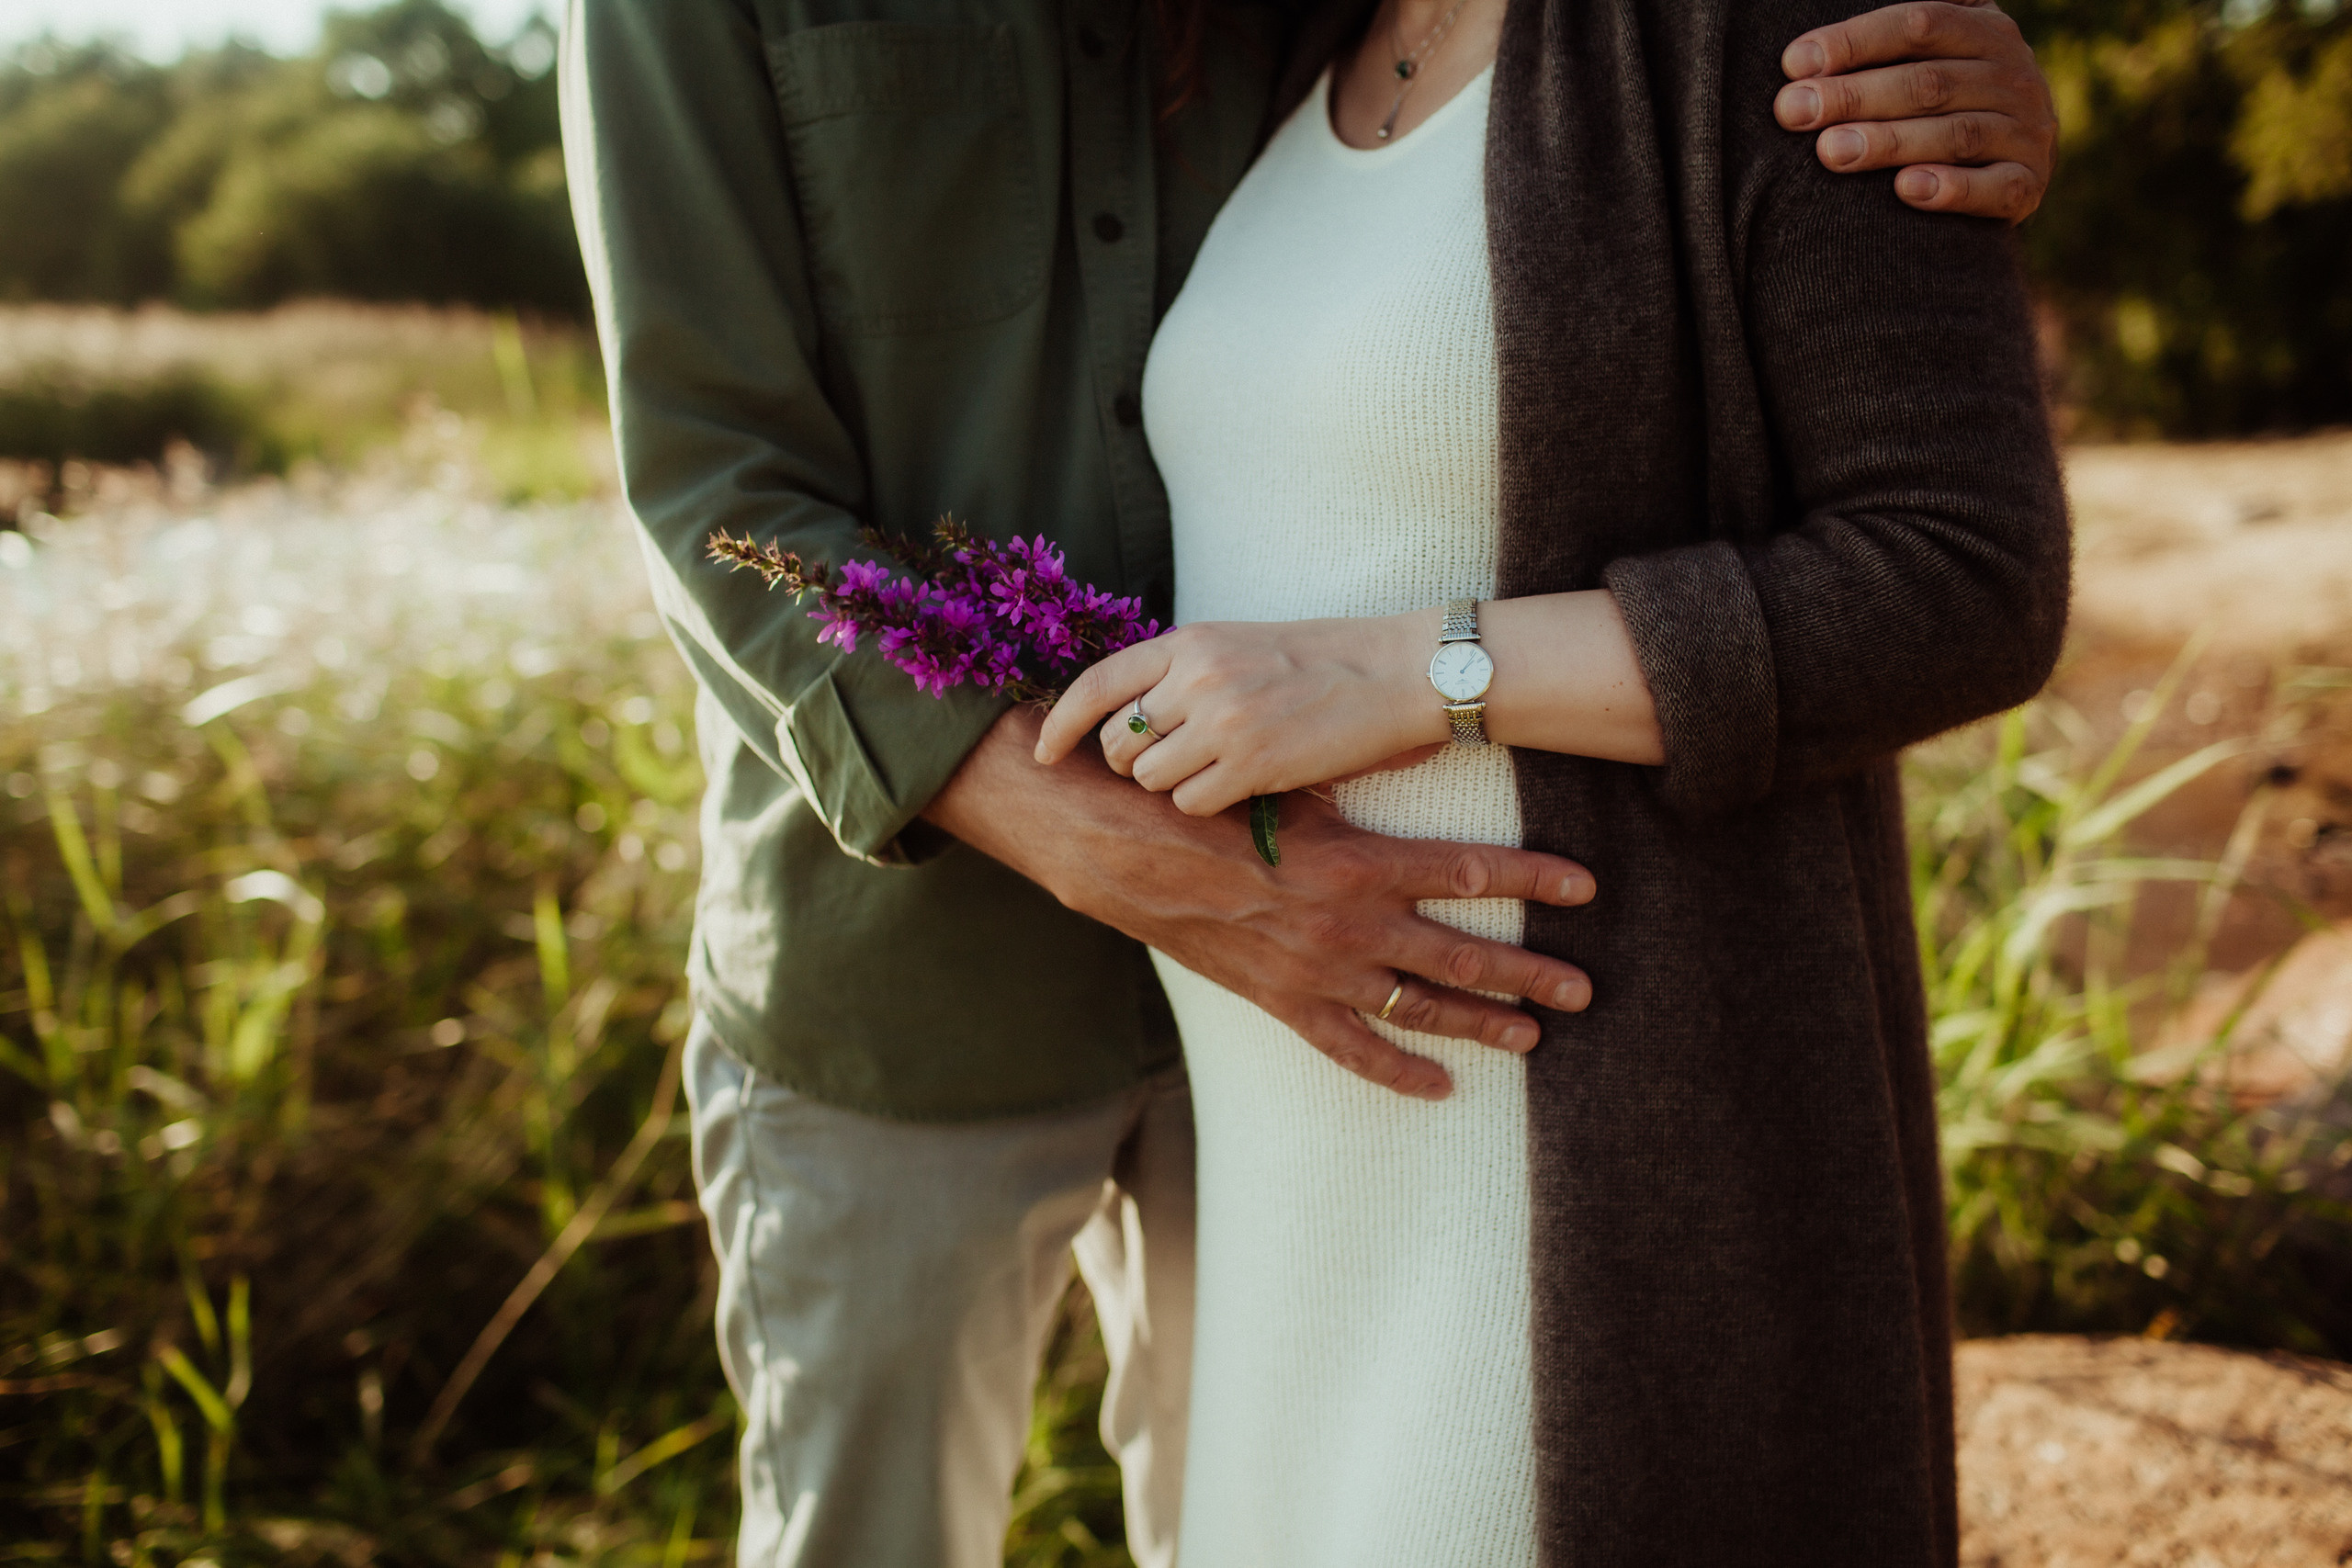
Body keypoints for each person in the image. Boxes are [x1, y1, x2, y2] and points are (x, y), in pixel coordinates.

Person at [558, 1, 2059, 1562]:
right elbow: (714, 485)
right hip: (925, 979)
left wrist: (1964, 113)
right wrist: (1124, 855)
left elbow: (1919, 503)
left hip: (1376, 1048)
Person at [1031, 0, 2069, 1562]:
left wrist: (1410, 676)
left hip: (1589, 1173)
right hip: (1290, 1181)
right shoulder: (1277, 50)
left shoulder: (1765, 33)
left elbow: (1960, 574)